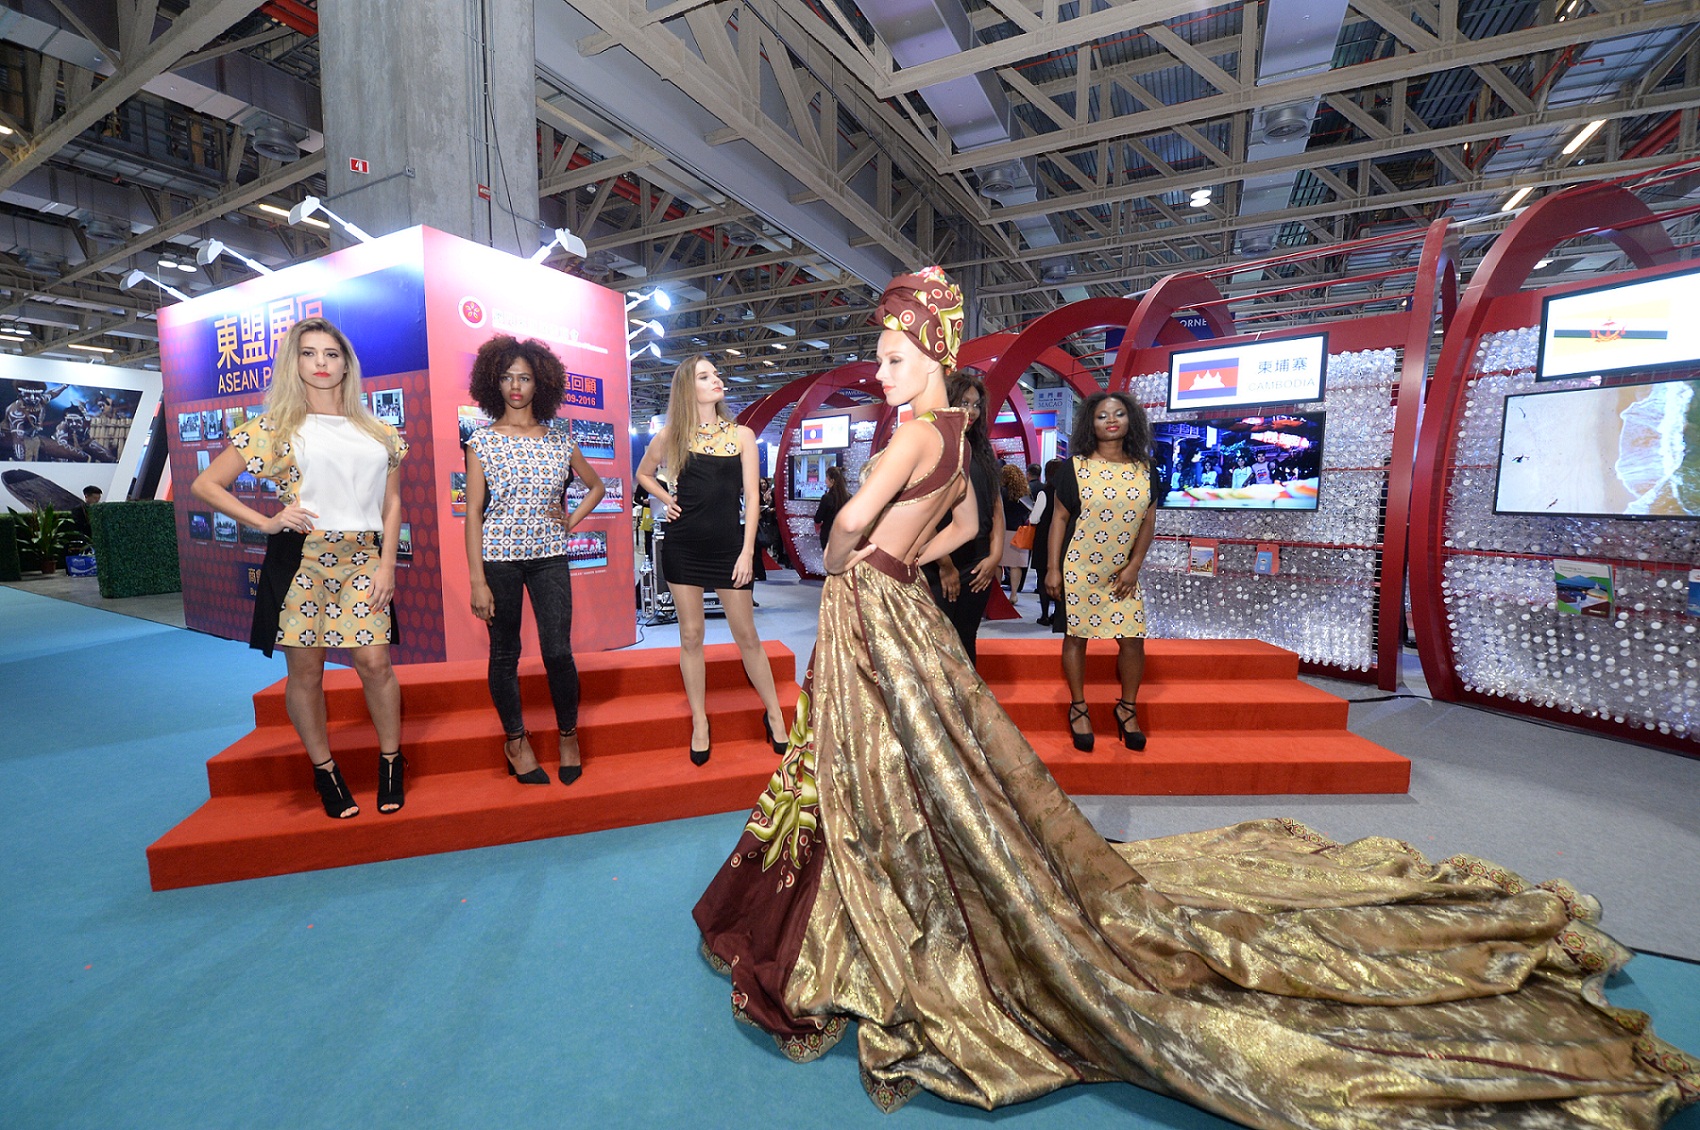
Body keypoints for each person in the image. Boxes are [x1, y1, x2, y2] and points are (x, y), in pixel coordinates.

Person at [692, 268, 1700, 1126]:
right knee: (913, 760)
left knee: (887, 759)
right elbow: (959, 531)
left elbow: (846, 527)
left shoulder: (917, 435)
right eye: (879, 358)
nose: (879, 372)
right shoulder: (957, 436)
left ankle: (884, 897)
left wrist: (858, 548)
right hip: (899, 605)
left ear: (927, 354)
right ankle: (884, 880)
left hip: (875, 602)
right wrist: (904, 557)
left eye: (891, 357)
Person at [191, 317, 408, 819]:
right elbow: (206, 484)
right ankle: (325, 771)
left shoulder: (380, 432)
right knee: (306, 671)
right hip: (301, 560)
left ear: (346, 364)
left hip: (364, 559)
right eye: (309, 354)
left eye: (331, 353)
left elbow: (392, 503)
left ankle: (391, 763)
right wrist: (266, 522)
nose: (321, 363)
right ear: (295, 363)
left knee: (375, 663)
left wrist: (388, 566)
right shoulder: (275, 427)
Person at [463, 335, 603, 787]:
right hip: (498, 558)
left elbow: (597, 486)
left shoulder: (560, 440)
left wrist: (569, 521)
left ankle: (568, 736)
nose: (516, 386)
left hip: (550, 557)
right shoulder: (481, 442)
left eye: (524, 378)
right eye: (507, 378)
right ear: (494, 383)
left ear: (540, 382)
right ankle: (516, 742)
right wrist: (477, 581)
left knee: (558, 651)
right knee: (505, 653)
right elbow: (473, 514)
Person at [635, 354, 788, 765]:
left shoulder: (742, 436)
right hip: (683, 546)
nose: (716, 380)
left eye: (716, 374)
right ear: (689, 387)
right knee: (691, 636)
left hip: (729, 549)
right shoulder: (671, 436)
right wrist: (665, 498)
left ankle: (774, 713)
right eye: (705, 376)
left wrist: (747, 552)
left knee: (748, 636)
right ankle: (700, 721)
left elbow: (752, 498)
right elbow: (643, 474)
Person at [1044, 390, 1155, 753]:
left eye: (1119, 414)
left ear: (1130, 420)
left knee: (1133, 639)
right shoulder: (1074, 468)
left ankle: (1127, 708)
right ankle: (1078, 707)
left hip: (1123, 573)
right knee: (1076, 637)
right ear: (1090, 423)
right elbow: (1059, 519)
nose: (1111, 420)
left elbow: (1148, 523)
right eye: (1102, 415)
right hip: (1079, 568)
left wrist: (1134, 567)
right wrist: (1052, 569)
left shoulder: (1146, 470)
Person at [921, 371, 1002, 665]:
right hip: (939, 559)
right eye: (964, 403)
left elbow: (996, 507)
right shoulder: (932, 447)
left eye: (976, 404)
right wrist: (945, 566)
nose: (971, 411)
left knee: (967, 637)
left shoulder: (982, 451)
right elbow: (923, 515)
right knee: (938, 641)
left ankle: (968, 696)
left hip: (979, 561)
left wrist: (995, 556)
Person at [1029, 457, 1064, 627]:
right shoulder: (1068, 492)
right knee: (1061, 579)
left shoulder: (1044, 492)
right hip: (1063, 539)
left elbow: (1034, 518)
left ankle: (1044, 615)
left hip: (1044, 539)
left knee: (1042, 578)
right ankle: (1058, 615)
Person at [998, 462, 1032, 603]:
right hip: (1018, 532)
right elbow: (1029, 511)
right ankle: (1013, 594)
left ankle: (998, 594)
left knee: (998, 564)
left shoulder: (1000, 492)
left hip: (1001, 531)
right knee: (1016, 565)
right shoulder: (1024, 494)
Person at [810, 464, 848, 549]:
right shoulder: (849, 497)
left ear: (832, 480)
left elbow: (818, 518)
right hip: (844, 536)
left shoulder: (826, 498)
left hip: (828, 536)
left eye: (826, 478)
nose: (825, 481)